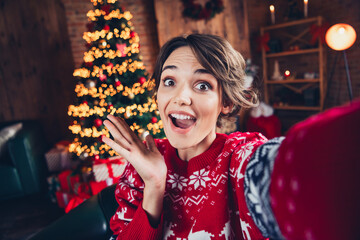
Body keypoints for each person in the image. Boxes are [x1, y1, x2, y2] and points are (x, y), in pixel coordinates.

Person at [102, 34, 360, 240]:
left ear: (225, 101)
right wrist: (154, 185)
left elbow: (305, 164)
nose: (180, 97)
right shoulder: (141, 167)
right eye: (169, 81)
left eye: (202, 85)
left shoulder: (240, 157)